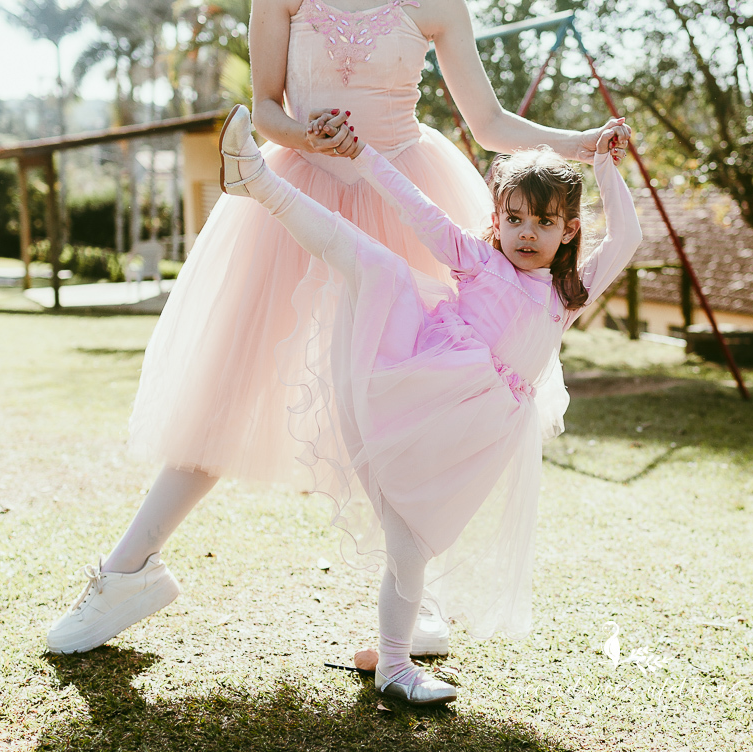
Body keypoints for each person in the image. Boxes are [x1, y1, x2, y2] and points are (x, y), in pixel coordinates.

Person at [46, 0, 630, 656]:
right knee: (225, 387)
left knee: (400, 408)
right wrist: (306, 136)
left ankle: (415, 605)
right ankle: (126, 574)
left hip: (406, 200)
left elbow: (491, 120)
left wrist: (578, 143)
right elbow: (266, 108)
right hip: (302, 196)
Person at [215, 104, 641, 705]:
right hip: (424, 381)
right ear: (497, 217)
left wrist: (603, 164)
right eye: (514, 218)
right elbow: (415, 206)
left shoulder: (567, 294)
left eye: (544, 223)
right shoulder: (479, 259)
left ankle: (392, 654)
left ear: (568, 230)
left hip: (479, 430)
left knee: (411, 543)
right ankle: (256, 180)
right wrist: (362, 155)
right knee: (377, 264)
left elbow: (628, 237)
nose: (526, 233)